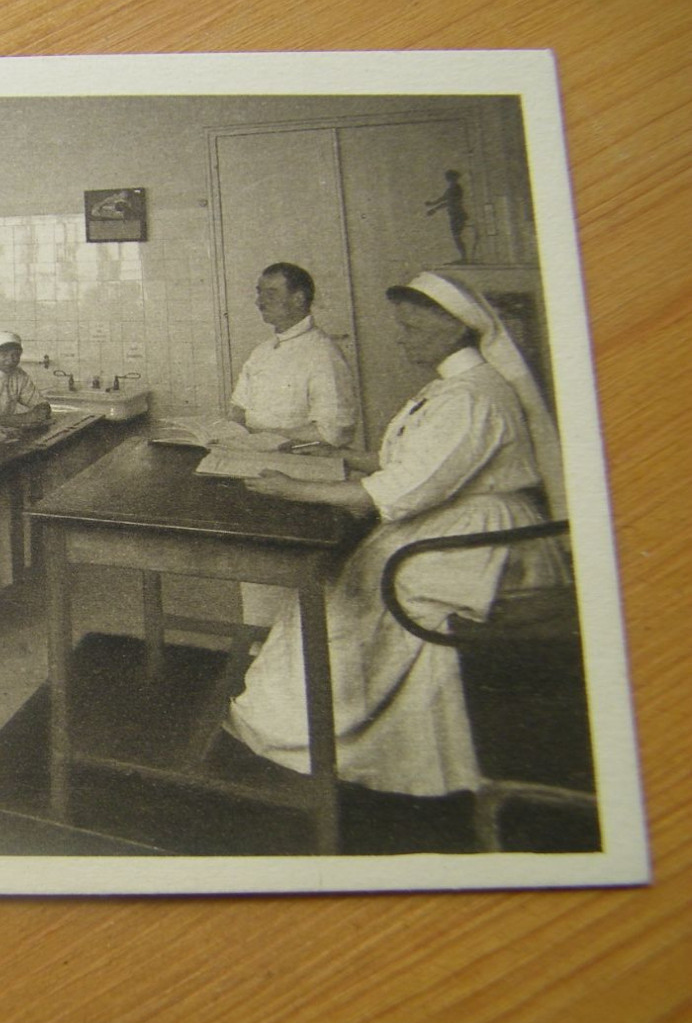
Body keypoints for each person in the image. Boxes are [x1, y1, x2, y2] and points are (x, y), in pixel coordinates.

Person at [225, 271, 568, 798]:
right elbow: (404, 459)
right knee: (335, 586)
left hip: (481, 543)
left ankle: (337, 741)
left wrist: (294, 489)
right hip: (458, 525)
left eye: (411, 329)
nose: (402, 339)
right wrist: (340, 458)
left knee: (350, 594)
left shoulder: (471, 398)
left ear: (454, 331)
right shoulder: (452, 388)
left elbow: (399, 490)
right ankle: (338, 733)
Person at [230, 263, 357, 450]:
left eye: (271, 294)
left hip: (298, 460)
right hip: (253, 451)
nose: (259, 302)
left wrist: (264, 438)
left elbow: (334, 432)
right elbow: (238, 408)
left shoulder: (324, 353)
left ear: (298, 299)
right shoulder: (261, 352)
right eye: (259, 293)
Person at [0, 331, 52, 431]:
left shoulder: (19, 375)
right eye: (4, 354)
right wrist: (24, 418)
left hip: (8, 431)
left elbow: (41, 404)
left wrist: (40, 411)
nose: (11, 359)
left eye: (16, 354)